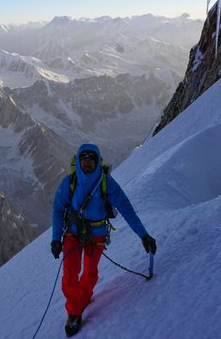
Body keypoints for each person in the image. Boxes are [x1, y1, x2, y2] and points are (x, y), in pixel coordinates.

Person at [51, 143, 156, 337]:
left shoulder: (106, 183)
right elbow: (58, 209)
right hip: (73, 235)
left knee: (90, 273)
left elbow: (126, 208)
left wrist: (143, 234)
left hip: (96, 235)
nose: (88, 163)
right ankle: (74, 312)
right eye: (84, 159)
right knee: (69, 275)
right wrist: (56, 238)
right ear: (79, 161)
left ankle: (82, 298)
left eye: (91, 159)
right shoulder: (70, 183)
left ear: (97, 161)